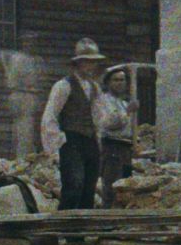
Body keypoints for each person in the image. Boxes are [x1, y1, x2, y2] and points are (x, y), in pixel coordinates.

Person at [40, 38, 108, 218]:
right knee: (73, 186)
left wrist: (98, 138)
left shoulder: (94, 87)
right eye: (87, 62)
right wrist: (56, 143)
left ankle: (79, 237)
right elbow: (50, 115)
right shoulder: (64, 86)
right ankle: (60, 229)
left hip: (90, 141)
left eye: (94, 62)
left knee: (88, 188)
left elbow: (98, 115)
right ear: (78, 63)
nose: (91, 66)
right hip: (72, 141)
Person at [94, 66, 137, 208]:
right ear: (108, 83)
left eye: (122, 80)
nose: (120, 83)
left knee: (125, 186)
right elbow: (108, 123)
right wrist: (127, 112)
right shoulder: (103, 101)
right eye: (116, 80)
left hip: (125, 147)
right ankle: (107, 218)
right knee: (112, 186)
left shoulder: (123, 102)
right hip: (112, 146)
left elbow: (129, 128)